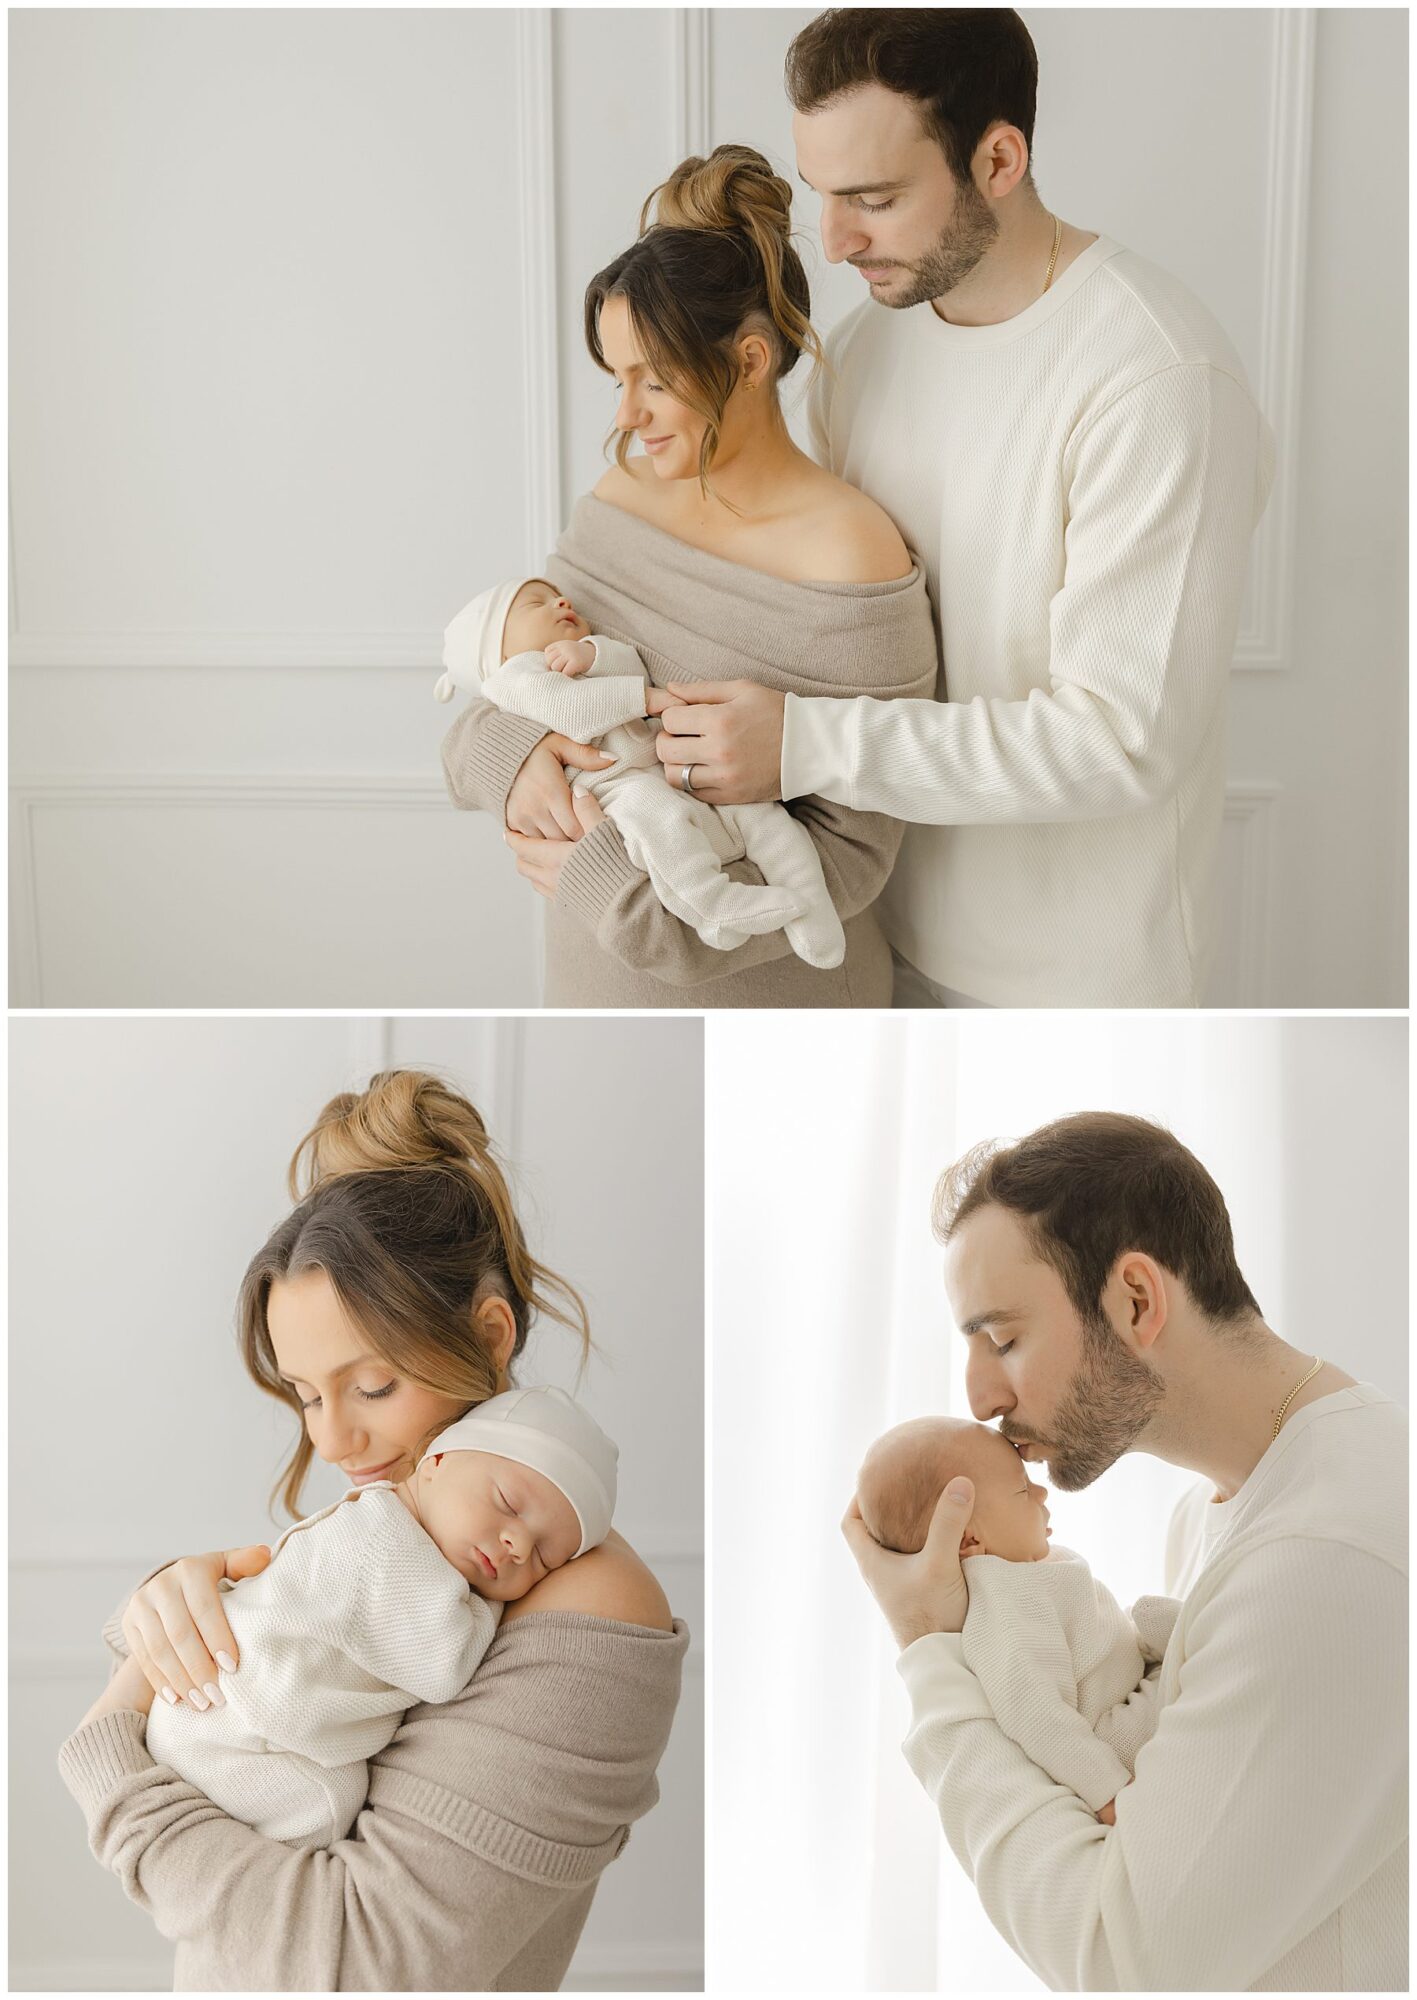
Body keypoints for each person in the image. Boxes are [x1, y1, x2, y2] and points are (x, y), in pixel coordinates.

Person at [648, 9, 1278, 1009]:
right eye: (822, 194)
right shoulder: (859, 356)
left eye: (875, 198)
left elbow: (1119, 738)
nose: (835, 239)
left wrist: (805, 743)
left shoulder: (1157, 376)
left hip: (1072, 984)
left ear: (997, 159)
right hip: (868, 931)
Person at [58, 1070, 687, 1992]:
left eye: (374, 1386)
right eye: (307, 1395)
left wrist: (110, 1757)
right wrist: (170, 1619)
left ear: (491, 1332)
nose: (333, 1440)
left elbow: (354, 1961)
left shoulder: (594, 1605)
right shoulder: (396, 1535)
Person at [842, 1112, 1406, 1990]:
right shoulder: (1218, 1513)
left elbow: (1121, 1960)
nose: (979, 1397)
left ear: (1135, 1300)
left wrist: (928, 1650)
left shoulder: (1321, 1559)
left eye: (1003, 1340)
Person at [440, 143, 940, 1007]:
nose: (626, 417)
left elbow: (850, 862)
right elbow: (511, 685)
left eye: (653, 382)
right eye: (616, 380)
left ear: (748, 362)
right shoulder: (623, 498)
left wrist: (609, 894)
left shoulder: (851, 557)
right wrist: (504, 755)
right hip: (593, 990)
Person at [142, 1386, 617, 1850]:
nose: (517, 1544)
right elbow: (444, 1667)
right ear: (436, 1461)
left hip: (200, 1712)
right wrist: (494, 1606)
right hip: (243, 1737)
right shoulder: (395, 1548)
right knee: (333, 1808)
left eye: (544, 1559)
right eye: (508, 1504)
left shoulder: (377, 1517)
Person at [438, 572, 845, 965]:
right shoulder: (513, 679)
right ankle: (713, 906)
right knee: (660, 820)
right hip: (612, 787)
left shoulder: (584, 649)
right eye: (535, 603)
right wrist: (646, 700)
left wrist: (593, 653)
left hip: (665, 766)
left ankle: (810, 907)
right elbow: (571, 710)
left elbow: (631, 664)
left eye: (556, 595)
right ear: (499, 651)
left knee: (763, 816)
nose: (560, 601)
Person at [859, 1414, 1180, 1826]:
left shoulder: (1030, 1570)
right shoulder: (1002, 1609)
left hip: (1127, 1677)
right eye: (1022, 1490)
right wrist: (1107, 1792)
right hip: (1111, 1736)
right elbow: (1035, 1715)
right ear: (969, 1539)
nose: (1042, 1492)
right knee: (1184, 1655)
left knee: (1154, 1616)